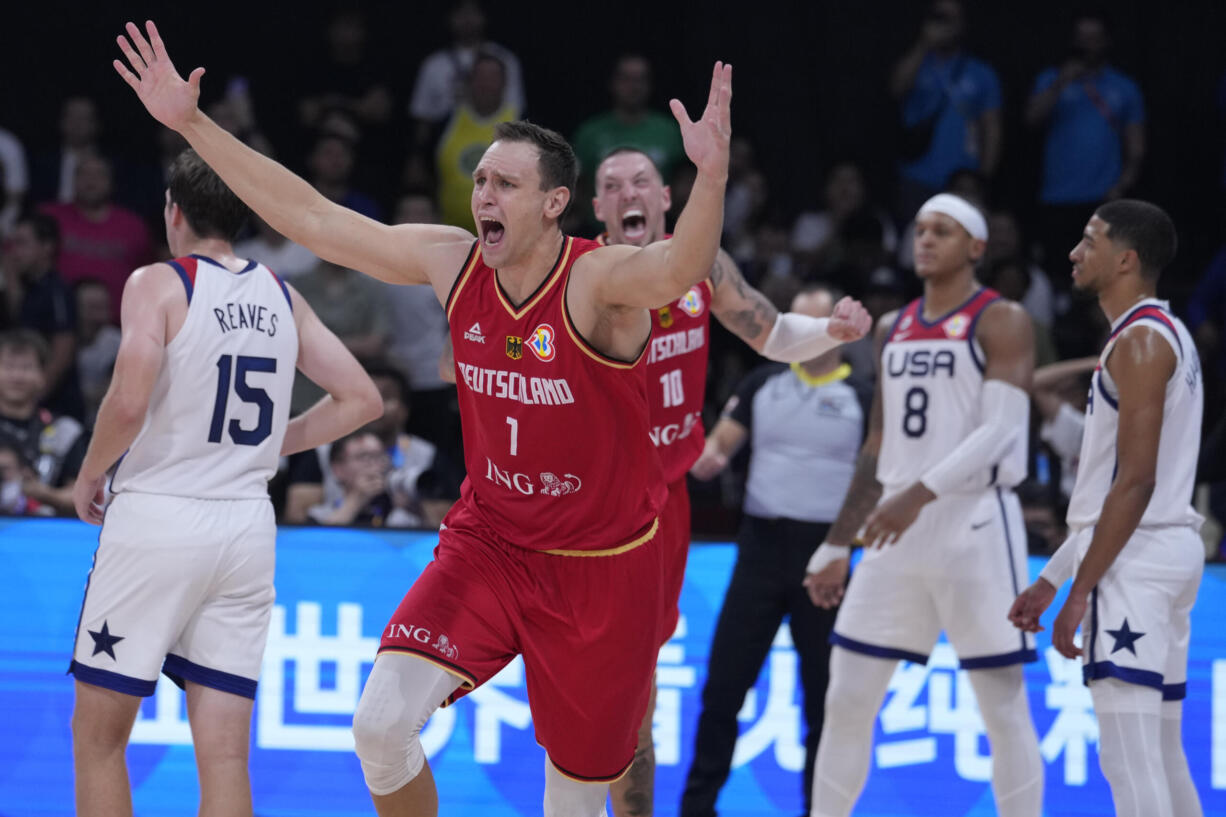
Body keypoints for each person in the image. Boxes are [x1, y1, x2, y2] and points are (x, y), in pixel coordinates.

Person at [114, 21, 734, 815]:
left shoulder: (597, 279)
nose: (484, 195)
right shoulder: (455, 260)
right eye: (480, 180)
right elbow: (315, 219)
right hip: (491, 542)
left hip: (600, 565)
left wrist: (708, 179)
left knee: (576, 796)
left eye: (506, 184)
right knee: (378, 726)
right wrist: (193, 125)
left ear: (554, 203)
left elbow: (679, 268)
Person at [66, 147, 382, 817]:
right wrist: (274, 443)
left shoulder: (157, 283)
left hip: (159, 517)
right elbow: (362, 399)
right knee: (226, 756)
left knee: (98, 738)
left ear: (172, 212)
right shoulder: (282, 293)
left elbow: (127, 403)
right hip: (246, 526)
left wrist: (90, 472)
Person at [589, 147, 871, 817]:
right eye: (610, 185)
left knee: (641, 686)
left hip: (667, 501)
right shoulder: (581, 273)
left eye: (640, 182)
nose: (627, 192)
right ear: (596, 208)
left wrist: (825, 330)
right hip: (594, 501)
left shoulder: (702, 267)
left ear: (664, 201)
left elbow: (769, 328)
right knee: (599, 684)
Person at [803, 193, 1043, 817]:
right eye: (920, 230)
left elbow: (1001, 431)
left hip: (975, 527)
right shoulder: (893, 326)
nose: (925, 240)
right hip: (893, 532)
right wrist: (836, 544)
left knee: (1003, 708)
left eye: (943, 230)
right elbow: (877, 446)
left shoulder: (1003, 318)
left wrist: (917, 494)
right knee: (848, 698)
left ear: (977, 247)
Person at [1009, 200, 1204, 817]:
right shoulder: (1155, 334)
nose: (1074, 253)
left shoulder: (1143, 341)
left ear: (1125, 259)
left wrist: (1081, 590)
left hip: (1135, 560)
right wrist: (1051, 578)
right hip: (1157, 551)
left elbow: (1134, 485)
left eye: (1088, 242)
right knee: (1163, 753)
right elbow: (1111, 495)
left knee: (1127, 758)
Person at [681, 285, 871, 817]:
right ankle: (696, 809)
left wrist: (845, 545)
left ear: (841, 332)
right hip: (759, 551)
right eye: (799, 326)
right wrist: (708, 456)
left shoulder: (863, 394)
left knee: (824, 700)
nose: (807, 337)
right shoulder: (763, 382)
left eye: (819, 325)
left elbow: (876, 474)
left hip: (825, 559)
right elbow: (719, 443)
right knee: (723, 689)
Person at [1026, 9, 1145, 281]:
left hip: (1103, 201)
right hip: (1056, 197)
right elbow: (1031, 119)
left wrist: (1122, 186)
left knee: (1101, 276)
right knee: (1057, 272)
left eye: (1094, 38)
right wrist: (1061, 82)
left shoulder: (1124, 87)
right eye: (1082, 37)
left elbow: (1136, 148)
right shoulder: (1051, 79)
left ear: (1106, 41)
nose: (1087, 44)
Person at [890, 0, 1002, 220]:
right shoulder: (917, 62)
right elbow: (896, 89)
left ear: (963, 24)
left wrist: (984, 178)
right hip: (916, 175)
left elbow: (992, 129)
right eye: (939, 16)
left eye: (951, 19)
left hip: (962, 179)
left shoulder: (981, 72)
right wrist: (924, 43)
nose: (945, 25)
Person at [1, 212, 83, 417]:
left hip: (55, 406)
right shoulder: (25, 286)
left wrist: (35, 397)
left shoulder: (57, 290)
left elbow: (62, 351)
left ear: (46, 247)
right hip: (22, 403)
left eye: (22, 244)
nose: (14, 252)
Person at [0, 329, 86, 515]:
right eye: (8, 366)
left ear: (42, 375)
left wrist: (44, 494)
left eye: (26, 367)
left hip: (44, 534)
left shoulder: (65, 430)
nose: (17, 376)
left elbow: (82, 495)